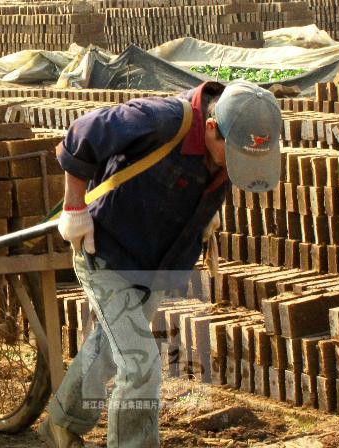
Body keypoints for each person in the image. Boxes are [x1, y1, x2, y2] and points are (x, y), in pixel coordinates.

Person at [40, 80, 282, 448]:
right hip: (105, 250)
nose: (236, 166)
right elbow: (81, 134)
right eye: (232, 154)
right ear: (212, 127)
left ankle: (62, 423)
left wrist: (204, 216)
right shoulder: (161, 119)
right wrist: (74, 206)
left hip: (156, 263)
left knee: (109, 346)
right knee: (142, 364)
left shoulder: (230, 142)